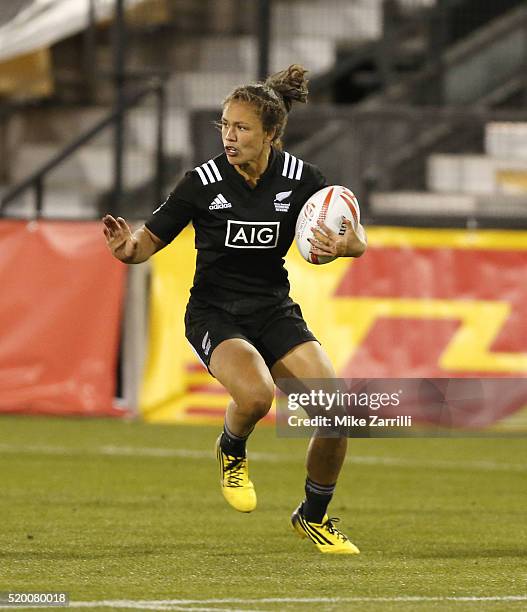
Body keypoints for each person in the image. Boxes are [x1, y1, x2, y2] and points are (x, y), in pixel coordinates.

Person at [103, 64, 367, 554]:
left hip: (273, 309)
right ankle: (231, 447)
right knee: (256, 396)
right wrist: (128, 249)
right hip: (214, 312)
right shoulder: (201, 182)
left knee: (336, 414)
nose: (229, 136)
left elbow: (354, 239)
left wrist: (344, 246)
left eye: (241, 127)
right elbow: (146, 244)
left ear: (271, 133)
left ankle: (313, 516)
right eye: (225, 125)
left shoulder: (303, 178)